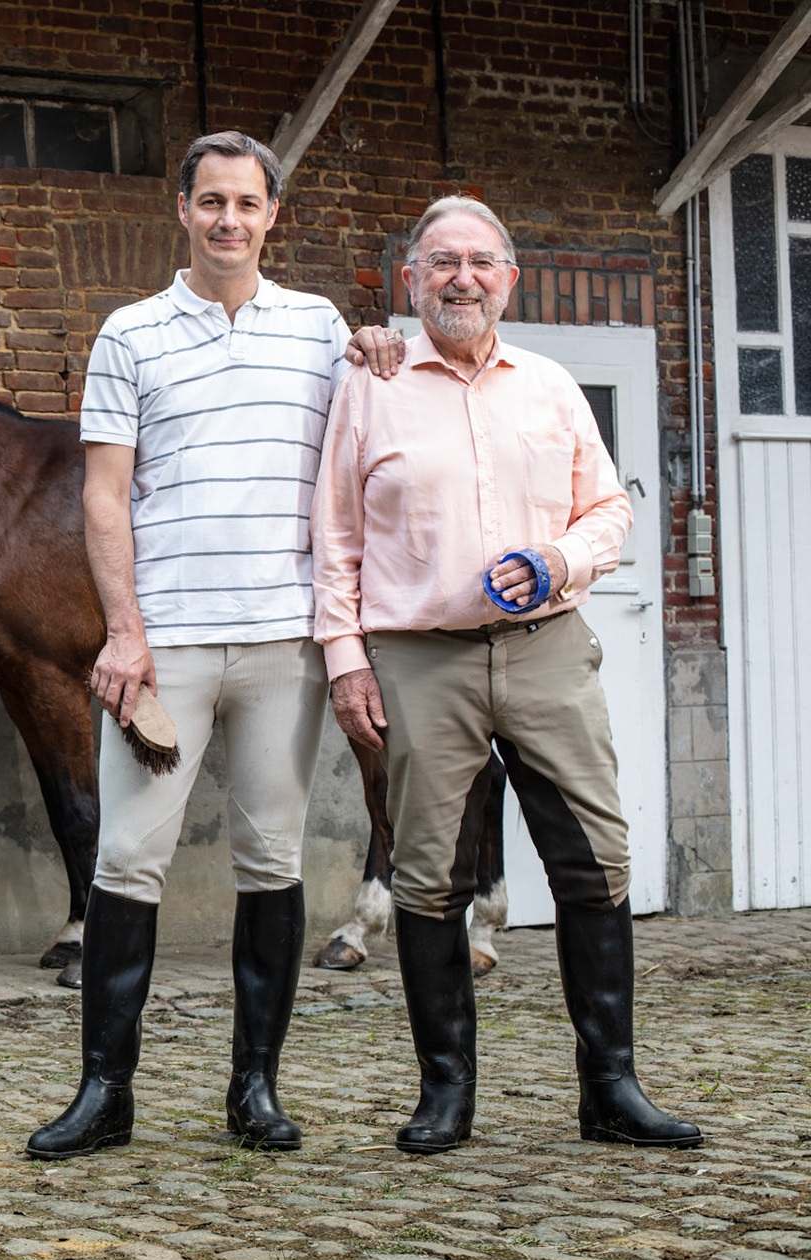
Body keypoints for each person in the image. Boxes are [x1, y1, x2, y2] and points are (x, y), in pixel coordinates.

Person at [311, 195, 701, 1154]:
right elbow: (334, 538)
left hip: (545, 648)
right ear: (412, 281)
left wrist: (561, 561)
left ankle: (611, 1088)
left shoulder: (552, 385)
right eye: (441, 262)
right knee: (426, 876)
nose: (462, 278)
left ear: (509, 279)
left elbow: (606, 510)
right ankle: (446, 1093)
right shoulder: (372, 384)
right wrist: (344, 658)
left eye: (481, 262)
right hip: (419, 657)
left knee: (593, 862)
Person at [26, 131, 351, 1159]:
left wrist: (387, 346)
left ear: (271, 215)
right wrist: (124, 628)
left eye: (246, 204)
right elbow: (104, 492)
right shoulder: (131, 334)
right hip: (162, 651)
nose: (228, 220)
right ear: (182, 210)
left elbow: (359, 460)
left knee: (271, 857)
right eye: (210, 202)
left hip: (282, 645)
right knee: (128, 856)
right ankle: (104, 1093)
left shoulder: (321, 330)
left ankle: (254, 1089)